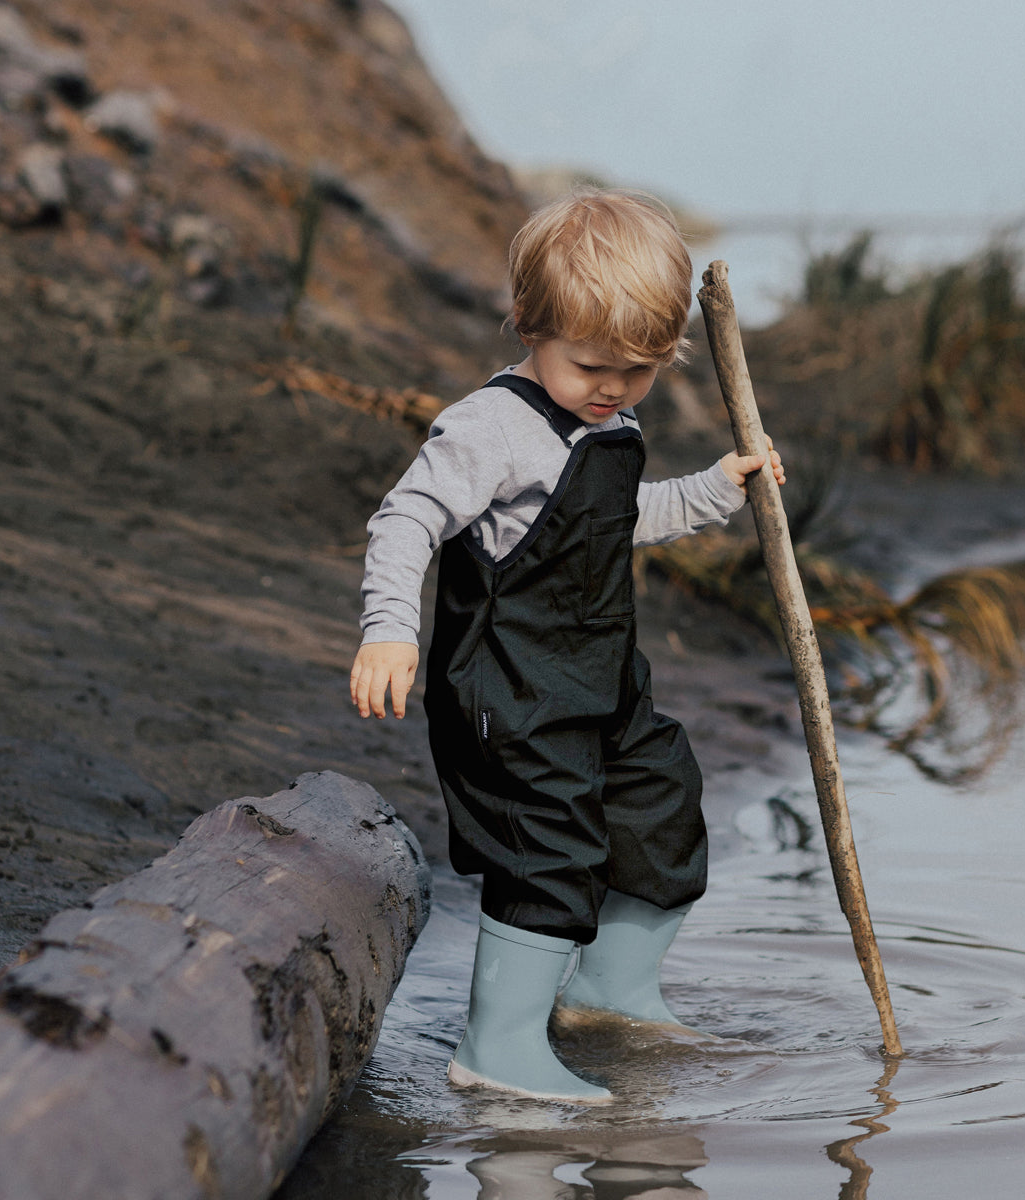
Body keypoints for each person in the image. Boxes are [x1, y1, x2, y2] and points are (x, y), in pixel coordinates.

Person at [350, 188, 784, 1104]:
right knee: (547, 851)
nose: (614, 388)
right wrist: (390, 628)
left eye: (640, 370)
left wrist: (715, 490)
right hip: (508, 688)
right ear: (526, 324)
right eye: (591, 364)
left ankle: (608, 991)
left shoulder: (609, 421)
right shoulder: (491, 426)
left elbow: (619, 519)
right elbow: (405, 519)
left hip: (597, 677)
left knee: (662, 802)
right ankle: (497, 1046)